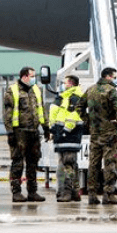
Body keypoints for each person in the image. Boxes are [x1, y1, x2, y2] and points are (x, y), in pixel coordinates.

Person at [78, 66, 117, 205]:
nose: (115, 79)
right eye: (114, 77)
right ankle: (108, 194)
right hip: (109, 133)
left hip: (95, 132)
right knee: (110, 163)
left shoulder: (91, 89)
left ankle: (92, 194)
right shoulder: (110, 90)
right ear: (108, 76)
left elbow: (79, 106)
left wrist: (88, 121)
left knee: (93, 164)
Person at [3, 66, 50, 202]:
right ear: (24, 76)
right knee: (18, 162)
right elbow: (8, 114)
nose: (34, 79)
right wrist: (10, 132)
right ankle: (16, 192)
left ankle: (32, 191)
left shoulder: (36, 90)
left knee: (33, 163)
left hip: (33, 132)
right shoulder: (12, 91)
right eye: (32, 76)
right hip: (19, 132)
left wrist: (46, 127)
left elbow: (41, 110)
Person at [49, 74, 85, 203]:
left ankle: (66, 193)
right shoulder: (67, 97)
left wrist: (65, 130)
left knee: (67, 165)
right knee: (70, 164)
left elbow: (74, 116)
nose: (63, 85)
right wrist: (53, 129)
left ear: (70, 84)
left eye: (65, 83)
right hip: (63, 135)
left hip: (68, 135)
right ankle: (74, 192)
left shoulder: (74, 98)